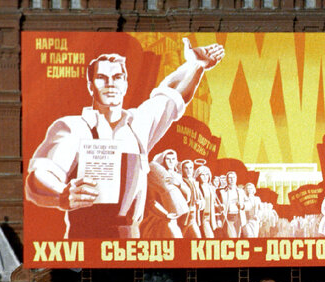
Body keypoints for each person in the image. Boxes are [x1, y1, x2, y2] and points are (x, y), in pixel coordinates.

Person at [25, 38, 225, 238]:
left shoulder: (137, 123)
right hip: (87, 240)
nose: (111, 84)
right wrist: (62, 193)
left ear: (125, 84)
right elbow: (40, 176)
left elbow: (172, 94)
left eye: (118, 77)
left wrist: (196, 66)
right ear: (90, 85)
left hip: (130, 240)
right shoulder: (73, 127)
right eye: (102, 77)